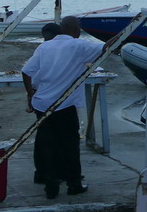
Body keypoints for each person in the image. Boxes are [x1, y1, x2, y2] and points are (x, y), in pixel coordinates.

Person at [22, 16, 106, 198]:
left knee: (47, 144)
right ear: (77, 30)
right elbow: (105, 48)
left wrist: (30, 94)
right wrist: (125, 33)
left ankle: (50, 185)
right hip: (64, 104)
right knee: (69, 144)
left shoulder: (44, 46)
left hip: (42, 103)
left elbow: (26, 72)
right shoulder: (79, 45)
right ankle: (73, 183)